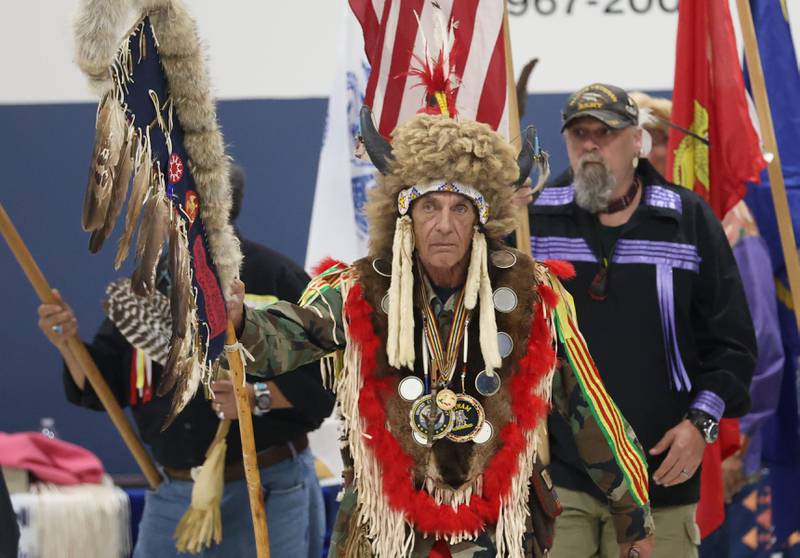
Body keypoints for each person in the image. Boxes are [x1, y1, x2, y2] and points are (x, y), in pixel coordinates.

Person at [225, 89, 654, 555]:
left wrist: (631, 515)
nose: (444, 225)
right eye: (429, 207)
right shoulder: (360, 290)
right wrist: (241, 318)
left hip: (496, 529)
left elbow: (587, 406)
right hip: (385, 529)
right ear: (404, 216)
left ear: (482, 218)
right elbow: (290, 334)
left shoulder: (532, 295)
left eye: (460, 208)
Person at [36, 165, 334, 557]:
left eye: (184, 203)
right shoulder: (146, 289)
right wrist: (68, 342)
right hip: (174, 495)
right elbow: (100, 386)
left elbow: (325, 383)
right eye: (165, 204)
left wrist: (255, 395)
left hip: (266, 491)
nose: (171, 214)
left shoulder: (275, 278)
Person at [529, 83, 757, 558]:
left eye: (606, 133)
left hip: (657, 475)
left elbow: (732, 346)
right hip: (557, 473)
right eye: (579, 134)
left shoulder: (687, 219)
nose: (591, 145)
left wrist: (701, 424)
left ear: (638, 141)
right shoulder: (532, 219)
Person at [632, 91, 785, 556]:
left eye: (657, 141)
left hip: (716, 441)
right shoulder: (622, 226)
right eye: (636, 140)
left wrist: (738, 443)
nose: (645, 153)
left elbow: (758, 342)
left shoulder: (727, 225)